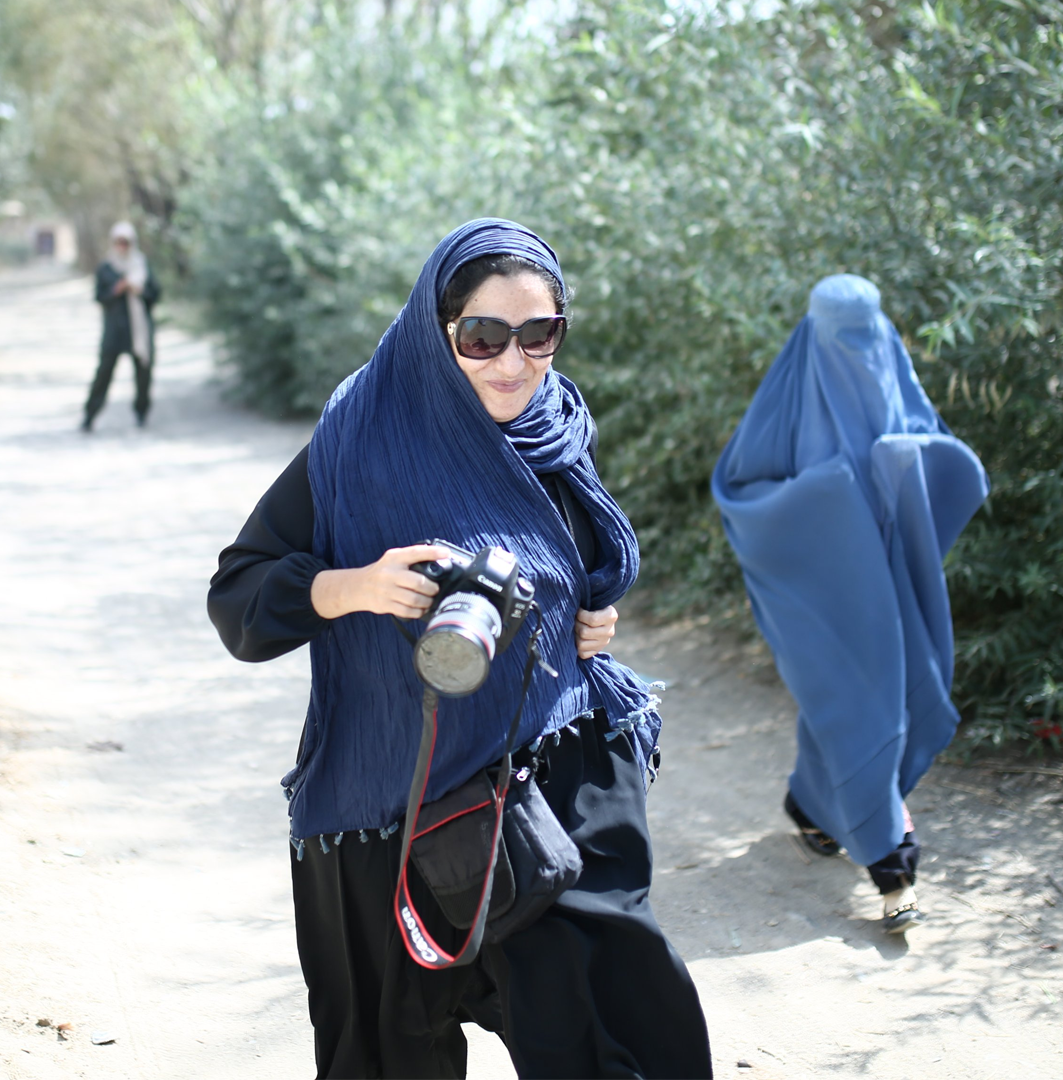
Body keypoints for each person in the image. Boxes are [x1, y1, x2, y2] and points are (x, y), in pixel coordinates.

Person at [208, 219, 712, 1078]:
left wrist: (589, 619)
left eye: (539, 334)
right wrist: (353, 587)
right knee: (386, 1051)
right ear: (436, 332)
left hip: (549, 776)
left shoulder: (556, 426)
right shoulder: (360, 439)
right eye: (482, 337)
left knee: (617, 1025)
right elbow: (238, 597)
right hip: (392, 800)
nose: (513, 364)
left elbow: (575, 565)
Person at [712, 274, 989, 933]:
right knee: (863, 710)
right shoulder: (787, 399)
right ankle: (895, 870)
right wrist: (829, 496)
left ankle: (810, 806)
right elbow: (742, 491)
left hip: (891, 592)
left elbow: (939, 458)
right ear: (815, 333)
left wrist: (908, 463)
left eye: (867, 333)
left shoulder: (892, 376)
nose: (860, 350)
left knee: (862, 708)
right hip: (818, 598)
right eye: (846, 336)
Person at [81, 221, 161, 431]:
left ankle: (141, 413)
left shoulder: (141, 265)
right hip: (114, 330)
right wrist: (117, 289)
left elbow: (155, 295)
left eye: (126, 242)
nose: (122, 247)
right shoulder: (106, 268)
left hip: (139, 330)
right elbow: (100, 297)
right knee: (104, 373)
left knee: (143, 375)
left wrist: (138, 290)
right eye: (119, 242)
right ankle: (90, 415)